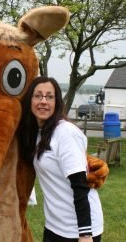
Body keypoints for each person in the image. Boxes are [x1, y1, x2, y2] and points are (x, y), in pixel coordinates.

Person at [18, 77, 103, 242]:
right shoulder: (36, 134)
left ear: (56, 102)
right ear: (30, 100)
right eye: (38, 96)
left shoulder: (65, 133)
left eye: (49, 97)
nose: (43, 101)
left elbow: (80, 186)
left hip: (77, 228)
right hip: (54, 225)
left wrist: (85, 235)